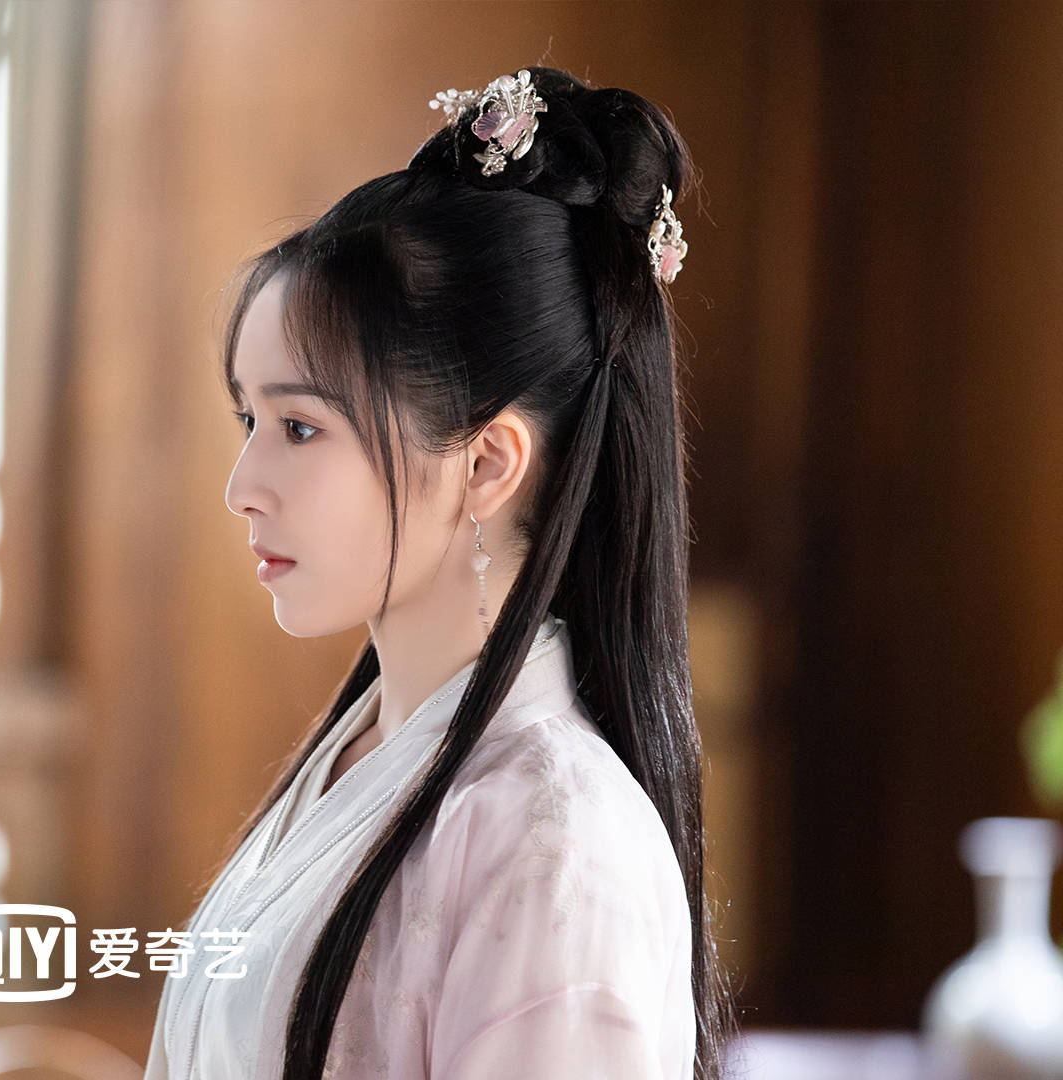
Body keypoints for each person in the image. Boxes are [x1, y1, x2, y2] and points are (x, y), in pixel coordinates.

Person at [141, 66, 739, 1080]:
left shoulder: (557, 844)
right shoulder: (365, 753)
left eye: (299, 427)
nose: (243, 487)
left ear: (486, 464)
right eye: (250, 420)